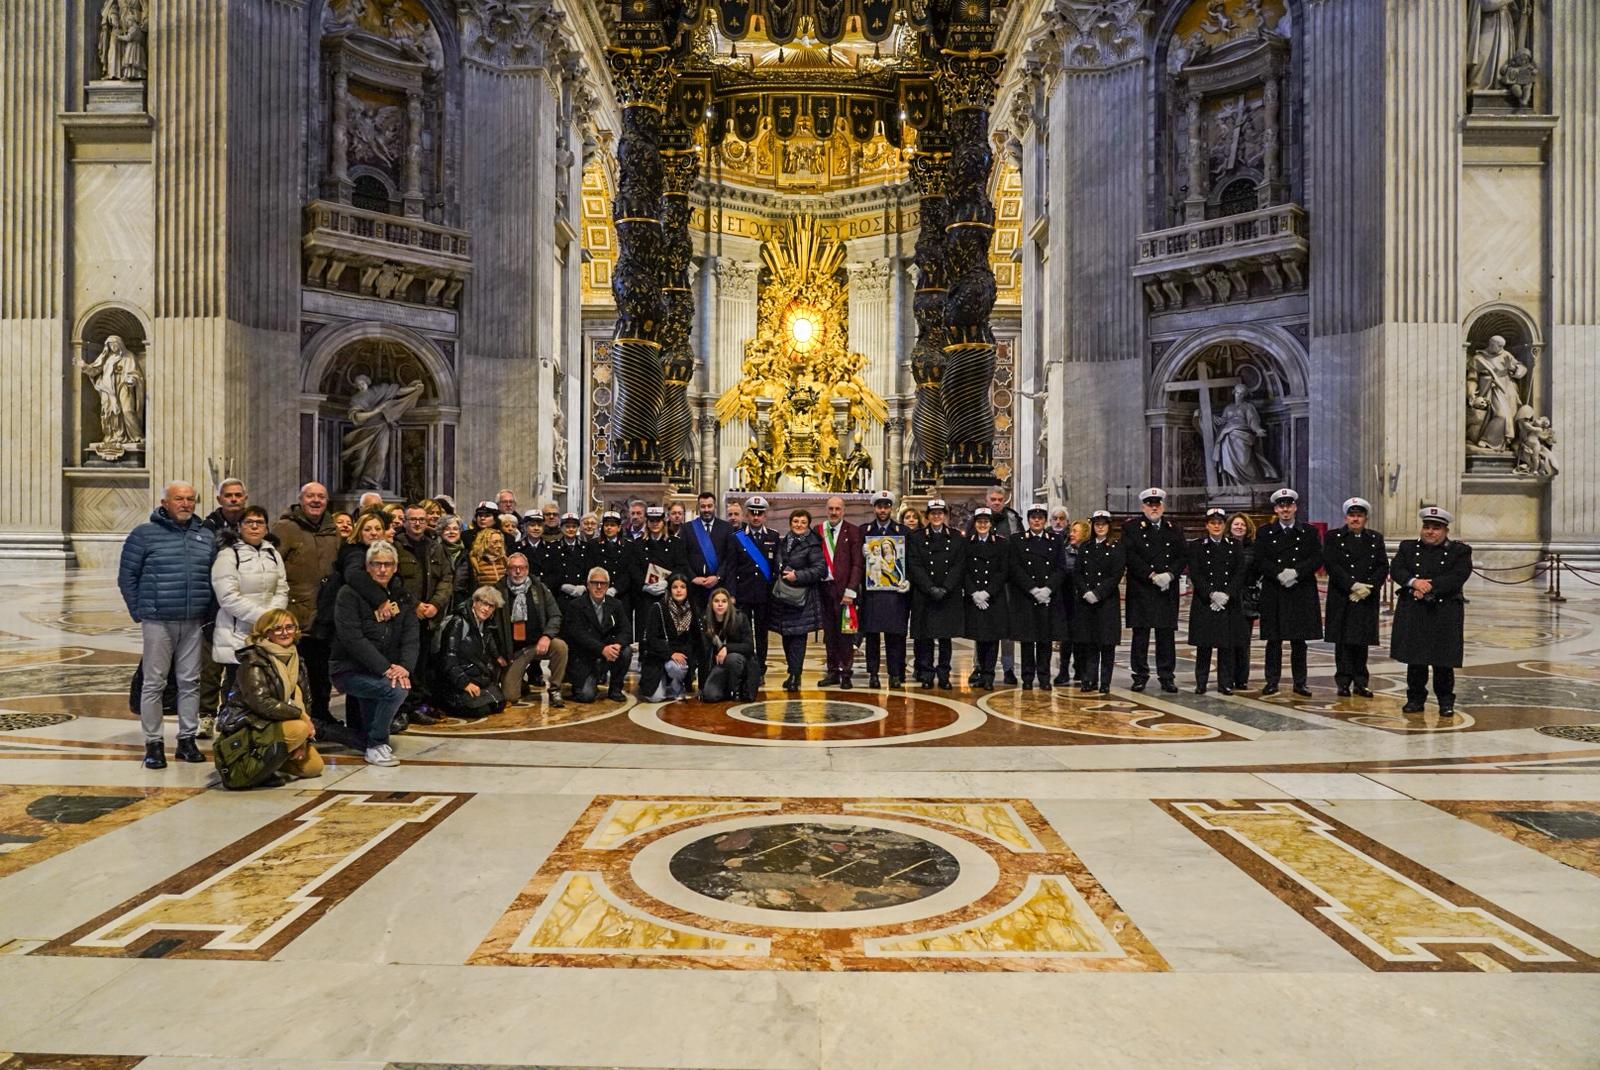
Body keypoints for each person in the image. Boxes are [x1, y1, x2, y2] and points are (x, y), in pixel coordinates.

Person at [118, 481, 216, 769]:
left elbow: (213, 577)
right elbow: (127, 577)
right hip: (158, 619)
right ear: (165, 502)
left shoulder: (205, 536)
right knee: (154, 682)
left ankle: (186, 740)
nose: (185, 504)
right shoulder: (144, 535)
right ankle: (154, 744)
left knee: (190, 681)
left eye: (190, 499)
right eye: (179, 499)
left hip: (194, 618)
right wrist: (141, 611)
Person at [212, 609, 324, 789]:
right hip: (250, 725)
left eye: (289, 627)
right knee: (300, 728)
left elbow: (305, 699)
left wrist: (302, 741)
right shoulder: (254, 660)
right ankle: (259, 770)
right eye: (277, 628)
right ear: (266, 632)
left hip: (276, 723)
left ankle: (271, 762)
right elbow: (261, 703)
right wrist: (300, 718)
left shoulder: (296, 659)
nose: (285, 632)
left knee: (313, 767)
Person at [330, 540, 417, 766]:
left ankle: (368, 740)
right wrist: (386, 668)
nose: (382, 569)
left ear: (395, 567)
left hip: (383, 668)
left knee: (389, 690)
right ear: (367, 567)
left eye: (387, 564)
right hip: (349, 668)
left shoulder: (401, 595)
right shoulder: (348, 594)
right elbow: (352, 639)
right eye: (377, 564)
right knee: (395, 690)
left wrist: (404, 666)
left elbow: (410, 635)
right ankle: (376, 743)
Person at [1390, 506, 1473, 717]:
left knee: (1442, 661)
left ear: (1445, 530)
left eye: (1436, 528)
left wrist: (1430, 586)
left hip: (1443, 611)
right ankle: (1415, 699)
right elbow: (1397, 568)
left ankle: (1446, 701)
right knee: (1415, 659)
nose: (1430, 532)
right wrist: (1414, 582)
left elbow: (1458, 575)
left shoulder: (1460, 551)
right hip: (1415, 610)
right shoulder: (1408, 548)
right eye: (1426, 527)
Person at [272, 482, 341, 732]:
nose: (316, 501)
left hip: (324, 614)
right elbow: (273, 566)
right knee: (294, 672)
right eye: (310, 496)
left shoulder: (333, 530)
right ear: (300, 500)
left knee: (321, 671)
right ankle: (296, 716)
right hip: (295, 614)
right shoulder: (286, 528)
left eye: (321, 497)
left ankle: (322, 713)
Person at [210, 505, 289, 709]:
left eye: (260, 522)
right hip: (238, 632)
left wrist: (273, 618)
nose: (255, 527)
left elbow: (282, 588)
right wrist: (264, 618)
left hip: (268, 633)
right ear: (239, 526)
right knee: (237, 687)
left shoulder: (273, 554)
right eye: (249, 522)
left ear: (266, 528)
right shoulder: (229, 555)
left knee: (267, 686)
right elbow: (227, 596)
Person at [1252, 488, 1323, 696]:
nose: (1285, 509)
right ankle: (1271, 681)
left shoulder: (1308, 532)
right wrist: (1278, 573)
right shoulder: (1265, 532)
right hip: (1275, 590)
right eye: (1281, 506)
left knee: (1299, 641)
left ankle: (1300, 682)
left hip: (1300, 590)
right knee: (1274, 640)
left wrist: (1296, 572)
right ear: (1276, 509)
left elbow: (1317, 557)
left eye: (1289, 505)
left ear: (1295, 507)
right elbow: (1259, 559)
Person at [393, 502, 454, 724]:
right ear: (406, 522)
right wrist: (415, 605)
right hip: (405, 617)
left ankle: (418, 705)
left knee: (423, 664)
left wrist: (436, 604)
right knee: (405, 663)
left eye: (421, 519)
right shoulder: (396, 546)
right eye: (413, 520)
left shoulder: (434, 547)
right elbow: (394, 580)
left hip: (430, 617)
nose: (417, 523)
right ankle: (402, 708)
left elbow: (446, 578)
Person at [1121, 488, 1187, 693]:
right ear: (1143, 507)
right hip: (1142, 588)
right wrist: (1151, 575)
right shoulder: (1132, 528)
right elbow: (1130, 556)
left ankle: (1166, 676)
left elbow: (1182, 555)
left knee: (1166, 635)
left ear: (1163, 506)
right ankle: (1140, 675)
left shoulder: (1173, 528)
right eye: (1150, 504)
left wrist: (1169, 575)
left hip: (1166, 588)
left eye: (1157, 504)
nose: (1154, 507)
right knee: (1140, 635)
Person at [1323, 497, 1389, 697]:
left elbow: (1382, 566)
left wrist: (1368, 588)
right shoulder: (1333, 537)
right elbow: (1332, 565)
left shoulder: (1375, 539)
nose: (1355, 519)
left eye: (1359, 516)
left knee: (1361, 641)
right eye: (1352, 515)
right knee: (1342, 642)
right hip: (1343, 595)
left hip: (1365, 597)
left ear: (1365, 518)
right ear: (1346, 517)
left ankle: (1361, 681)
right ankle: (1343, 681)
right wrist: (1353, 585)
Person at [492, 554, 568, 707]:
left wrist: (547, 636)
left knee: (560, 647)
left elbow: (555, 615)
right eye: (513, 568)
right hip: (514, 651)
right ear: (507, 570)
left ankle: (555, 689)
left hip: (539, 643)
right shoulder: (497, 591)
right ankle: (521, 683)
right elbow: (490, 627)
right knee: (510, 696)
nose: (518, 571)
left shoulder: (539, 588)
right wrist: (497, 653)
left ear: (527, 569)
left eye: (521, 568)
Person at [1185, 508, 1247, 695]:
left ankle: (1225, 683)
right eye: (1212, 522)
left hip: (1228, 601)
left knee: (1225, 646)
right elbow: (1195, 573)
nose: (1216, 526)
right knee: (1203, 645)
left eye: (1220, 522)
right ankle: (1201, 682)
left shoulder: (1234, 545)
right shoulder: (1197, 546)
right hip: (1205, 601)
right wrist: (1211, 594)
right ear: (1207, 525)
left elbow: (1240, 572)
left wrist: (1226, 595)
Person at [909, 499, 965, 690]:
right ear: (927, 516)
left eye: (940, 513)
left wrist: (946, 588)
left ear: (945, 516)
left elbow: (959, 565)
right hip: (925, 593)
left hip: (947, 594)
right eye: (933, 513)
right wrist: (930, 587)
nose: (937, 516)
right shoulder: (917, 537)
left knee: (945, 638)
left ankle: (944, 674)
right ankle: (926, 674)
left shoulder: (956, 537)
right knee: (925, 637)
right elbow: (914, 565)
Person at [1008, 503, 1065, 690]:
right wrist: (1033, 589)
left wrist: (1047, 589)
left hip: (1048, 596)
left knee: (1045, 640)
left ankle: (1044, 677)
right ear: (1028, 520)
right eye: (1033, 518)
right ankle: (1026, 677)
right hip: (1026, 596)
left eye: (1040, 518)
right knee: (1027, 639)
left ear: (1044, 520)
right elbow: (1014, 568)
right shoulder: (1017, 540)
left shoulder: (1055, 540)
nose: (1037, 521)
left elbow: (1060, 568)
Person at [857, 491, 911, 689]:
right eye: (879, 506)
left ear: (891, 508)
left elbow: (909, 562)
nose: (882, 510)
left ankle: (894, 673)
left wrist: (908, 581)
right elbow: (857, 564)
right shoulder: (864, 530)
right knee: (872, 635)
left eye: (886, 506)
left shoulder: (903, 531)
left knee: (895, 636)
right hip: (873, 594)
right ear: (874, 508)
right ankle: (873, 673)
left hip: (895, 594)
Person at [771, 508, 826, 691]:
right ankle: (792, 672)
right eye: (796, 521)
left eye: (803, 522)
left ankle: (796, 676)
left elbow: (820, 570)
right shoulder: (785, 540)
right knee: (787, 635)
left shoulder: (813, 544)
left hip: (801, 597)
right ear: (790, 523)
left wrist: (798, 575)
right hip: (784, 596)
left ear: (808, 524)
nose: (799, 525)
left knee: (798, 637)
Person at [726, 495, 779, 684]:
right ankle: (747, 667)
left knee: (762, 634)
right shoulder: (737, 538)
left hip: (764, 594)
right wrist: (731, 594)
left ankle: (761, 669)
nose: (756, 517)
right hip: (743, 593)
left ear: (765, 515)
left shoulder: (773, 536)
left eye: (760, 514)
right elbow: (731, 568)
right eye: (753, 514)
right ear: (747, 515)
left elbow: (775, 568)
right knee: (744, 634)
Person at [1072, 510, 1125, 694]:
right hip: (1087, 601)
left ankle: (1105, 681)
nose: (1100, 527)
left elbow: (1115, 574)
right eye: (1097, 524)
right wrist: (1086, 591)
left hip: (1106, 601)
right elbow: (1077, 572)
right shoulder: (1085, 547)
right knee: (1090, 642)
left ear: (1109, 526)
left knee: (1106, 643)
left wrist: (1098, 593)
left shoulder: (1116, 547)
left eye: (1104, 524)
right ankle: (1089, 679)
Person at [437, 586, 510, 718]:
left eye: (491, 606)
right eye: (483, 603)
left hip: (475, 674)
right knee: (480, 710)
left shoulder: (485, 624)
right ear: (475, 602)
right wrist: (464, 683)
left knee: (498, 703)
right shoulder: (458, 622)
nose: (486, 609)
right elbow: (448, 658)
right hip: (456, 679)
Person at [815, 496, 864, 689]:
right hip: (824, 589)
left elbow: (857, 564)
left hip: (845, 592)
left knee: (845, 633)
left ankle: (846, 673)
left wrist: (851, 590)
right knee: (830, 633)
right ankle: (833, 671)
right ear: (826, 510)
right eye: (831, 509)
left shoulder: (853, 531)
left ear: (843, 510)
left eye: (837, 509)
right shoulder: (819, 531)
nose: (834, 512)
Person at [563, 566, 632, 703]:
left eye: (603, 583)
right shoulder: (575, 606)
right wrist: (602, 649)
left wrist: (617, 644)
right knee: (586, 696)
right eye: (595, 583)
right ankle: (584, 682)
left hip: (608, 655)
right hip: (585, 658)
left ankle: (615, 689)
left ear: (607, 586)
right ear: (588, 585)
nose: (599, 587)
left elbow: (626, 630)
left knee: (626, 651)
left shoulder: (616, 604)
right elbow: (579, 635)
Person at [624, 505, 687, 651]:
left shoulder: (675, 543)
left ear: (663, 522)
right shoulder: (638, 544)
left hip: (667, 594)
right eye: (651, 521)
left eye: (658, 520)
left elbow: (680, 566)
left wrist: (667, 583)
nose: (655, 524)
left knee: (668, 630)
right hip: (645, 596)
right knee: (645, 632)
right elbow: (633, 568)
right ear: (647, 522)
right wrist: (644, 585)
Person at [961, 507, 1010, 690]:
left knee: (992, 637)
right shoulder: (968, 543)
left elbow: (1003, 571)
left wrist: (987, 593)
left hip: (993, 597)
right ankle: (980, 671)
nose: (982, 525)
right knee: (979, 636)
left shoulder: (1002, 544)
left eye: (986, 522)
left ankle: (989, 674)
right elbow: (963, 570)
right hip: (974, 597)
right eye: (979, 522)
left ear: (991, 524)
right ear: (975, 524)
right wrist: (974, 592)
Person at [985, 486, 1026, 684]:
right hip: (984, 581)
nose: (996, 502)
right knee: (983, 628)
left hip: (1009, 580)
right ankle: (981, 667)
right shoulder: (978, 518)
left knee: (1007, 628)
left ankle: (1009, 668)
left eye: (1000, 499)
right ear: (987, 501)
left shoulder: (1013, 519)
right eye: (993, 499)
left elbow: (1021, 546)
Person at [639, 574, 700, 701]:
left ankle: (676, 684)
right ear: (669, 590)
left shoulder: (692, 609)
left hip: (679, 658)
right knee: (655, 698)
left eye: (682, 587)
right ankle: (662, 681)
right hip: (657, 657)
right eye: (675, 587)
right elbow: (651, 639)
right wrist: (670, 653)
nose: (679, 590)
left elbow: (694, 639)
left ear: (687, 590)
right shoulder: (658, 608)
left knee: (678, 667)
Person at [700, 587, 758, 702]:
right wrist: (702, 687)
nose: (720, 604)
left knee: (733, 658)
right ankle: (725, 688)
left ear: (729, 603)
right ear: (711, 603)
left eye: (724, 601)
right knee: (710, 696)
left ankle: (737, 688)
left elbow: (749, 646)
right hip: (719, 665)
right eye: (716, 601)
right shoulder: (706, 621)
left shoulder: (740, 618)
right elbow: (703, 655)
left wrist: (727, 648)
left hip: (740, 662)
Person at [683, 491, 735, 611]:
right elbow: (683, 556)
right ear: (698, 508)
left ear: (715, 507)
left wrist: (718, 576)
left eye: (709, 506)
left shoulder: (726, 528)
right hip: (695, 586)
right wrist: (693, 577)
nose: (706, 509)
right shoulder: (687, 528)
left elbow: (729, 557)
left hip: (719, 586)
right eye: (703, 506)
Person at [1056, 520, 1092, 687]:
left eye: (1076, 531)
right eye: (1071, 531)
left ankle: (1080, 668)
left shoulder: (1090, 551)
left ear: (1084, 534)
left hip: (1084, 599)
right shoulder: (1064, 551)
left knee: (1082, 636)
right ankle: (1063, 670)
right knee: (1067, 637)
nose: (1071, 534)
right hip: (1067, 597)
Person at [1227, 513, 1260, 690]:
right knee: (1228, 639)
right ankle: (1227, 676)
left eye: (1242, 525)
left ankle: (1241, 678)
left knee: (1244, 640)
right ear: (1230, 527)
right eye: (1236, 524)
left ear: (1248, 528)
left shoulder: (1253, 548)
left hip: (1246, 598)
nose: (1239, 527)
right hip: (1227, 597)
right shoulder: (1223, 546)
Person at [543, 513, 592, 602]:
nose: (571, 529)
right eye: (567, 526)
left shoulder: (586, 548)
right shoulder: (552, 547)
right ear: (561, 528)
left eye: (574, 527)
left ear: (578, 528)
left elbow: (590, 570)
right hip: (559, 596)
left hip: (582, 596)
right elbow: (548, 572)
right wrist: (561, 586)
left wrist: (584, 586)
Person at [439, 515, 471, 615]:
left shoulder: (468, 554)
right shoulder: (434, 552)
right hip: (439, 605)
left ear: (460, 531)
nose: (451, 532)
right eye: (447, 529)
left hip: (461, 606)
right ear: (441, 532)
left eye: (455, 529)